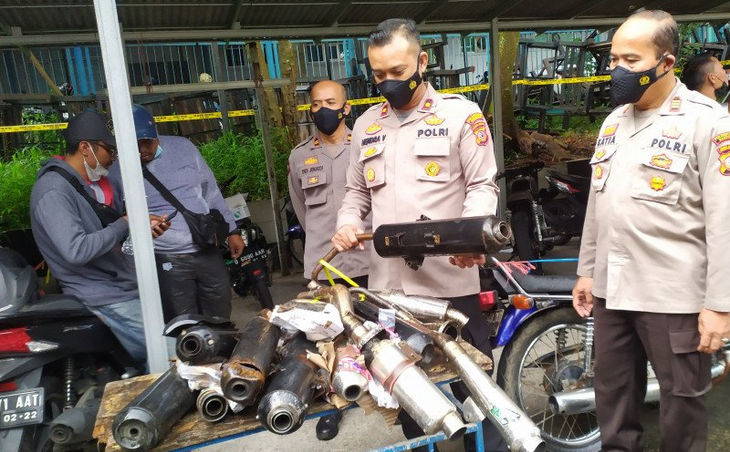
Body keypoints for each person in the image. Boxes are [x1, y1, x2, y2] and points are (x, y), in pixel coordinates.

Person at [332, 18, 507, 452]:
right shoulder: (368, 125)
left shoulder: (460, 115)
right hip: (387, 292)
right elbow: (355, 192)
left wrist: (471, 239)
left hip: (450, 287)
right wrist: (346, 223)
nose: (387, 82)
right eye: (378, 75)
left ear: (422, 61)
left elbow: (483, 185)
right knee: (409, 396)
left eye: (397, 71)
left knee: (477, 389)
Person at [572, 10, 730, 452]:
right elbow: (598, 207)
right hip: (611, 291)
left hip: (672, 296)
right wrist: (587, 271)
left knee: (681, 409)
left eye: (630, 60)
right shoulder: (613, 122)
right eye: (612, 59)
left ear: (666, 63)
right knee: (613, 403)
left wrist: (720, 305)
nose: (616, 69)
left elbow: (725, 221)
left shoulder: (709, 122)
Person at [30, 112, 168, 366]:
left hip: (120, 286)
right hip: (102, 296)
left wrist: (139, 228)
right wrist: (125, 223)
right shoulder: (53, 191)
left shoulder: (87, 184)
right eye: (110, 150)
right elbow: (76, 249)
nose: (113, 159)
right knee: (172, 355)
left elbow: (108, 236)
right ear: (85, 147)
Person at [287, 80, 371, 441]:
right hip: (324, 265)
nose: (323, 109)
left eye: (331, 102)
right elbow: (302, 211)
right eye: (317, 103)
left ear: (346, 107)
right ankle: (334, 405)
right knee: (328, 342)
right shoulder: (298, 157)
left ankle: (389, 393)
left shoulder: (367, 146)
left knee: (379, 334)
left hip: (370, 263)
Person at [108, 105, 244, 322]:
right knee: (183, 325)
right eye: (136, 145)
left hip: (206, 248)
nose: (143, 150)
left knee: (220, 315)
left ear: (156, 135)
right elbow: (115, 217)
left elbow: (211, 192)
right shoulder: (118, 171)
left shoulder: (184, 148)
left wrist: (233, 231)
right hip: (167, 257)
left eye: (147, 142)